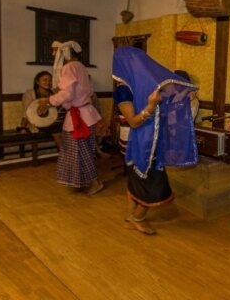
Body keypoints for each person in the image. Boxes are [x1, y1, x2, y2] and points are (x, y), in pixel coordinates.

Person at [112, 47, 198, 235]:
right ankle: (138, 217)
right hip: (139, 143)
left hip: (149, 141)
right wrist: (150, 106)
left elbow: (166, 102)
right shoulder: (123, 90)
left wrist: (184, 97)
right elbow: (134, 122)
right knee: (153, 185)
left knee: (137, 181)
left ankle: (131, 217)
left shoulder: (141, 85)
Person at [37, 41, 104, 196]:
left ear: (65, 52)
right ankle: (83, 181)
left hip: (79, 117)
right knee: (84, 150)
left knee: (81, 151)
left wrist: (48, 101)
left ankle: (95, 182)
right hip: (86, 114)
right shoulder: (80, 66)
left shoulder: (69, 67)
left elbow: (68, 94)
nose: (54, 55)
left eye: (55, 51)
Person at [18, 70, 63, 149]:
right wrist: (23, 127)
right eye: (44, 80)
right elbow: (27, 111)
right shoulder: (30, 93)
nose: (48, 82)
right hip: (37, 123)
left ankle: (70, 155)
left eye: (50, 80)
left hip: (54, 121)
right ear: (37, 82)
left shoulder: (54, 93)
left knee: (68, 128)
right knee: (57, 131)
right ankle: (65, 157)